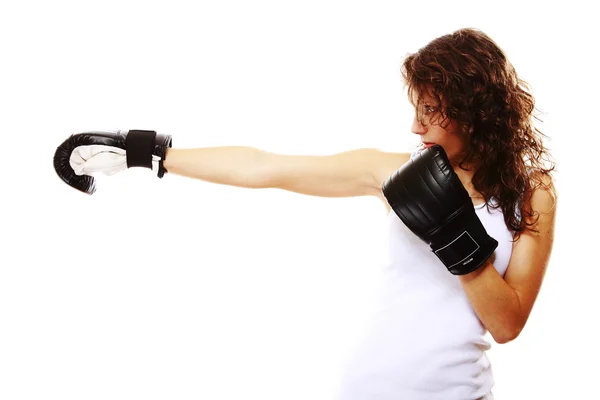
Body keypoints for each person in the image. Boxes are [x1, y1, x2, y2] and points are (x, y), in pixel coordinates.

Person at [53, 28, 557, 400]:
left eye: (430, 110)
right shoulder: (394, 174)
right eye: (416, 108)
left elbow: (508, 324)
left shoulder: (531, 194)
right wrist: (151, 153)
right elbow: (267, 167)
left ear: (473, 109)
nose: (414, 125)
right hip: (365, 388)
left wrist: (455, 238)